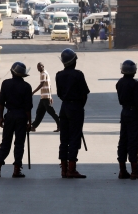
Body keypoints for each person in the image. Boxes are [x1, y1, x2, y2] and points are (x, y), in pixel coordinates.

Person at [0, 62, 33, 178]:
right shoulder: (26, 87)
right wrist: (29, 122)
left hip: (9, 116)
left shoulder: (5, 84)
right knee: (19, 143)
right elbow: (28, 107)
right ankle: (16, 170)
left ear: (12, 72)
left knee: (5, 142)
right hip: (21, 117)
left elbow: (1, 102)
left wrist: (1, 117)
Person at [56, 48, 90, 179]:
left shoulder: (59, 75)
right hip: (75, 107)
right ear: (73, 61)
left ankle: (64, 169)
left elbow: (59, 94)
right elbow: (84, 94)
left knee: (64, 139)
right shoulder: (78, 75)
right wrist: (79, 106)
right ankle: (71, 169)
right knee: (75, 138)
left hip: (64, 107)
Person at [116, 60, 138, 180]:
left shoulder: (119, 83)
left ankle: (122, 170)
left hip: (124, 112)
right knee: (133, 142)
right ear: (134, 70)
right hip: (134, 114)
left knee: (123, 141)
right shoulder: (135, 84)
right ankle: (135, 171)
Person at [30, 62, 60, 133]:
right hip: (44, 97)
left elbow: (42, 84)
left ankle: (60, 125)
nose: (38, 68)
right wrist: (50, 96)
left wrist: (33, 92)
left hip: (45, 97)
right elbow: (49, 86)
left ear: (43, 66)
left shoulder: (43, 73)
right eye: (37, 67)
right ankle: (33, 126)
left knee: (51, 112)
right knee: (39, 112)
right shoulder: (45, 73)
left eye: (40, 66)